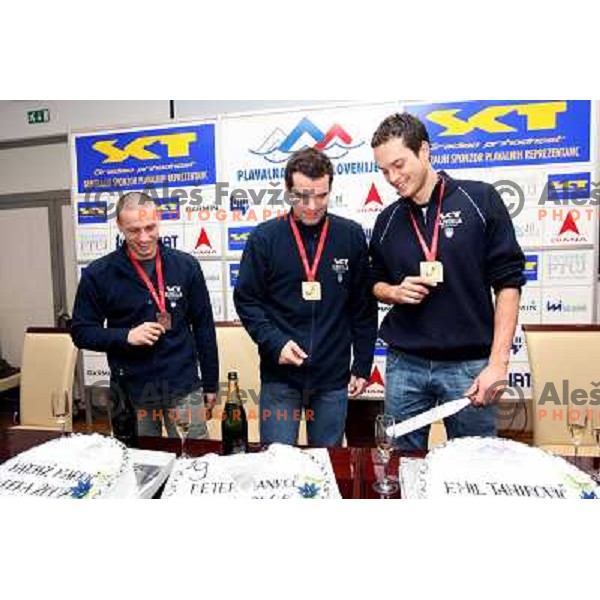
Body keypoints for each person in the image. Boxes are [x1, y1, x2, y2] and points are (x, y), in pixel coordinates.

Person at [368, 113, 525, 450]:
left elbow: (509, 285)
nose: (392, 178)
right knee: (399, 462)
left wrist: (498, 364)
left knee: (475, 464)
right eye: (384, 171)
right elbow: (373, 282)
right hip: (404, 364)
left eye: (399, 164)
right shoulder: (387, 220)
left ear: (424, 150)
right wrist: (392, 292)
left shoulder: (480, 200)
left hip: (468, 366)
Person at [234, 148, 377, 447]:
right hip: (280, 379)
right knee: (277, 462)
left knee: (328, 462)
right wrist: (276, 343)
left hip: (333, 381)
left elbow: (363, 307)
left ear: (330, 190)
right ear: (288, 192)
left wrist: (362, 364)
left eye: (321, 196)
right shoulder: (264, 238)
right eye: (302, 196)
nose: (312, 206)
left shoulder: (350, 236)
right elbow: (247, 302)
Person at [71, 191, 219, 440]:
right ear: (119, 226)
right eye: (133, 230)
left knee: (193, 465)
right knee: (139, 468)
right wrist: (125, 336)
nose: (143, 238)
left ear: (158, 220)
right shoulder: (99, 274)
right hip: (131, 391)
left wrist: (212, 383)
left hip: (183, 387)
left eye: (150, 227)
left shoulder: (186, 266)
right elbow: (81, 331)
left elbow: (204, 327)